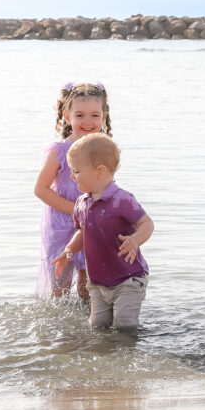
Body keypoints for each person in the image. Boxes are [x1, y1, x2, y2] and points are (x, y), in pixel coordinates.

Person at [52, 133, 154, 329]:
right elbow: (83, 232)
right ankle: (104, 356)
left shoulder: (121, 200)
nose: (72, 176)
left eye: (76, 171)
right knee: (97, 326)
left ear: (99, 171)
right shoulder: (81, 203)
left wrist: (135, 240)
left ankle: (128, 356)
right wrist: (69, 250)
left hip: (129, 279)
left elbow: (147, 223)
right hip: (98, 282)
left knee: (125, 325)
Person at [33, 82, 112, 300]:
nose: (88, 122)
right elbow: (40, 189)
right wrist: (75, 210)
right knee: (60, 286)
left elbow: (108, 188)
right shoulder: (59, 150)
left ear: (104, 116)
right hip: (61, 221)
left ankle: (88, 329)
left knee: (88, 287)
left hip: (92, 224)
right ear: (67, 117)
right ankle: (58, 329)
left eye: (95, 115)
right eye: (80, 115)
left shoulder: (105, 149)